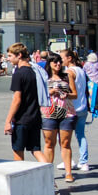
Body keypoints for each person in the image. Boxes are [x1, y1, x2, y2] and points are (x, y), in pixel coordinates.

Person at [4, 43, 47, 163]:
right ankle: (50, 178)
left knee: (18, 151)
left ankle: (19, 180)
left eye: (10, 55)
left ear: (19, 55)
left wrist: (8, 120)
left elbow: (17, 99)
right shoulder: (34, 71)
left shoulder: (18, 73)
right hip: (35, 116)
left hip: (22, 119)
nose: (8, 58)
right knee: (36, 150)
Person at [40, 52, 77, 183]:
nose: (58, 64)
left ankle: (68, 172)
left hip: (66, 112)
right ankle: (48, 173)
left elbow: (75, 94)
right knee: (49, 143)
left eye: (60, 62)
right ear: (49, 64)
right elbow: (38, 95)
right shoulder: (44, 77)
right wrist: (50, 92)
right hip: (48, 112)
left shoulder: (67, 76)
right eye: (55, 62)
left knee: (65, 143)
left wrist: (66, 95)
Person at [61, 49, 88, 173]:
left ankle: (69, 160)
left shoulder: (69, 72)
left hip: (72, 108)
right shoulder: (81, 70)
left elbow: (68, 91)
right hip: (83, 106)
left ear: (69, 58)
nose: (61, 61)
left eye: (62, 58)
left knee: (64, 136)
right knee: (80, 135)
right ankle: (84, 162)